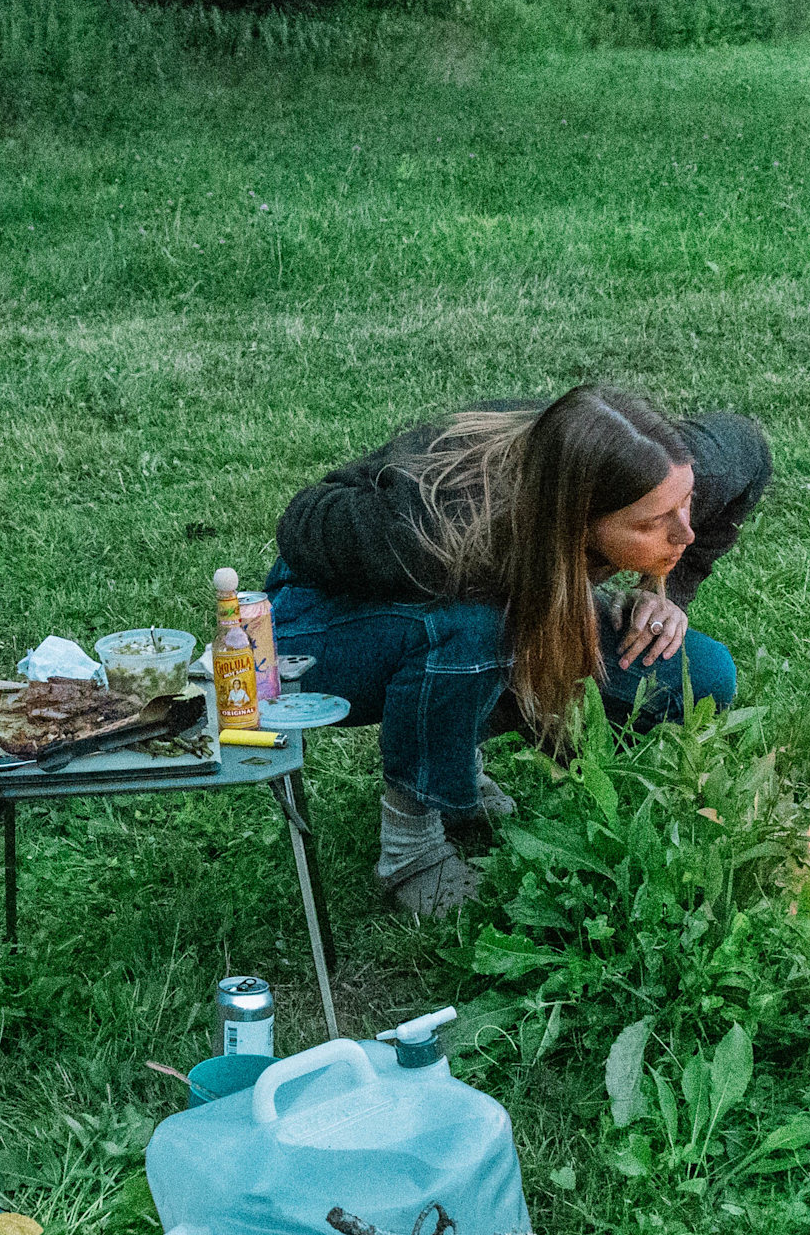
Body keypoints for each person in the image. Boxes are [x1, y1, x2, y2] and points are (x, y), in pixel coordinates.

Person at [268, 386, 768, 916]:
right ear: (574, 522)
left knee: (700, 675)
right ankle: (411, 845)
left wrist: (665, 589)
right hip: (314, 629)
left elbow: (750, 450)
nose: (684, 530)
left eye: (686, 505)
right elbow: (301, 522)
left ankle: (452, 750)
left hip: (508, 590)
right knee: (479, 629)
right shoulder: (441, 528)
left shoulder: (663, 470)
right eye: (650, 525)